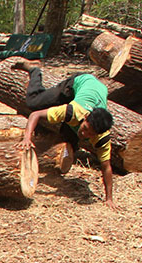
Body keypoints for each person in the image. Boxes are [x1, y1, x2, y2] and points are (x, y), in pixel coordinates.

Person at [14, 59, 117, 210]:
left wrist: (109, 199)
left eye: (90, 134)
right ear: (86, 117)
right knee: (33, 103)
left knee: (69, 143)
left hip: (99, 89)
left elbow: (106, 167)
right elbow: (35, 115)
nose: (84, 134)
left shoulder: (102, 138)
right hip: (79, 82)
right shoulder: (73, 112)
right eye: (85, 128)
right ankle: (35, 70)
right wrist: (27, 138)